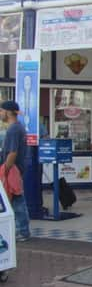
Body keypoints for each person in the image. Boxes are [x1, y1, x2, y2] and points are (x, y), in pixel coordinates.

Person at [0, 101, 30, 242]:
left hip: (12, 169)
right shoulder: (18, 128)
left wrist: (5, 170)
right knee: (15, 199)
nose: (0, 114)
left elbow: (12, 153)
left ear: (8, 112)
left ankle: (22, 231)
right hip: (15, 168)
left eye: (1, 111)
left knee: (17, 200)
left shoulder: (13, 130)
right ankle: (19, 230)